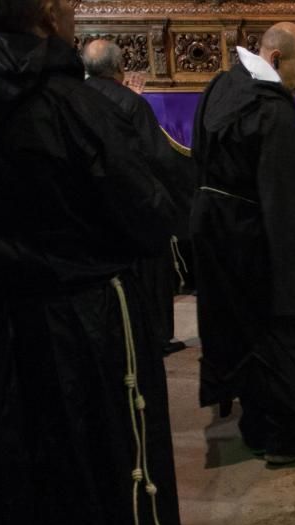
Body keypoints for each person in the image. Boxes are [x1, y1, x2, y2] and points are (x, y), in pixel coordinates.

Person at [0, 0, 187, 525]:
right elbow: (149, 214)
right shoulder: (79, 106)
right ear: (46, 16)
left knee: (26, 466)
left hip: (1, 318)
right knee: (98, 458)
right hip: (85, 319)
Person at [190, 22, 295, 465]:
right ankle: (285, 434)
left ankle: (256, 424)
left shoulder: (223, 85)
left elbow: (200, 157)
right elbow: (282, 201)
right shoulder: (275, 113)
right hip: (260, 237)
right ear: (276, 59)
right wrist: (294, 274)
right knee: (283, 331)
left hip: (219, 234)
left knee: (241, 329)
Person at [81, 39, 194, 356]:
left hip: (95, 210)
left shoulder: (76, 97)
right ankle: (157, 336)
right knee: (152, 273)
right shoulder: (131, 103)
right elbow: (160, 158)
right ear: (119, 68)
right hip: (136, 204)